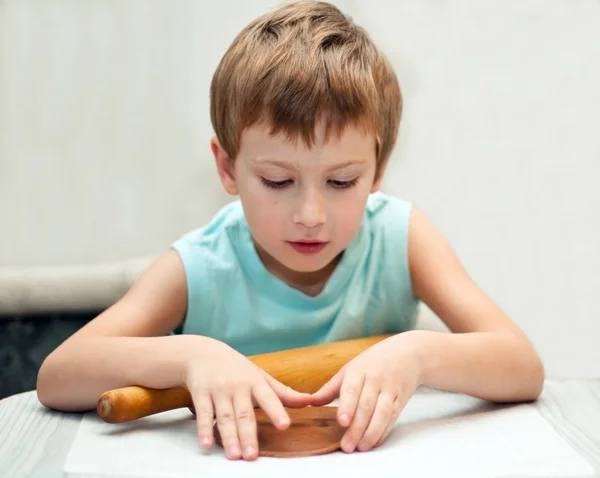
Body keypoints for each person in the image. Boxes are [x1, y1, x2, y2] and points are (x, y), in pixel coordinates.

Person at [36, 0, 544, 462]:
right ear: (228, 167)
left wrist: (417, 352)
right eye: (277, 181)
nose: (310, 214)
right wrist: (193, 355)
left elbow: (522, 366)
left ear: (378, 168)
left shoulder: (399, 236)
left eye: (342, 181)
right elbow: (57, 376)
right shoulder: (201, 266)